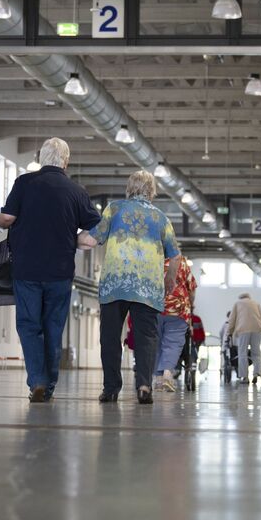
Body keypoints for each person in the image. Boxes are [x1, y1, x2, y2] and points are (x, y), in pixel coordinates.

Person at [0, 137, 101, 403]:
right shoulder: (76, 192)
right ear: (66, 162)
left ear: (41, 158)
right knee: (53, 327)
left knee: (29, 325)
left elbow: (7, 219)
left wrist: (3, 218)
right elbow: (96, 230)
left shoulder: (24, 183)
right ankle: (49, 385)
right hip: (60, 271)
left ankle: (38, 381)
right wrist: (75, 239)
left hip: (27, 269)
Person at [80, 170, 180, 405]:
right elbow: (175, 257)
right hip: (148, 288)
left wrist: (67, 238)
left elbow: (91, 240)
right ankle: (144, 385)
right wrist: (169, 280)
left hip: (115, 284)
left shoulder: (115, 209)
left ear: (130, 187)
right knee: (146, 339)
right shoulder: (161, 218)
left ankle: (111, 388)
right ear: (152, 191)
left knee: (110, 338)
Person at [153, 255, 197, 392]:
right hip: (178, 309)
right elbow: (192, 286)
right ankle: (167, 374)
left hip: (154, 307)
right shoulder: (181, 261)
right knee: (173, 343)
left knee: (155, 343)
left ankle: (158, 379)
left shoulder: (151, 257)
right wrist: (190, 304)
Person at [227, 292, 261, 385]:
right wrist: (259, 325)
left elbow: (232, 319)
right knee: (256, 352)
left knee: (242, 352)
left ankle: (245, 377)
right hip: (257, 329)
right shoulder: (256, 303)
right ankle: (256, 373)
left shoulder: (237, 303)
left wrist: (229, 332)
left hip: (243, 329)